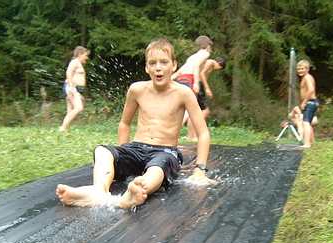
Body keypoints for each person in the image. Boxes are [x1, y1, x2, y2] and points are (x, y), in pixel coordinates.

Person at [56, 38, 214, 210]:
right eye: (152, 63)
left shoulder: (184, 93)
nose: (158, 67)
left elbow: (203, 133)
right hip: (136, 148)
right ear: (147, 68)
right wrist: (122, 158)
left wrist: (200, 169)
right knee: (102, 151)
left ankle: (137, 190)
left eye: (163, 62)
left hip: (165, 152)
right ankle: (98, 191)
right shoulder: (137, 90)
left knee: (157, 168)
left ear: (174, 65)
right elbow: (124, 123)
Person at [186, 57, 226, 140]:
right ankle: (193, 135)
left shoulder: (209, 63)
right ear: (219, 64)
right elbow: (202, 74)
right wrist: (207, 88)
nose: (217, 69)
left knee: (195, 111)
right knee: (204, 111)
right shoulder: (211, 62)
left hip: (199, 85)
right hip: (199, 85)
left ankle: (191, 135)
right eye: (219, 68)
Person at [59, 46, 90, 132]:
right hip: (71, 87)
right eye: (85, 55)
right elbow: (68, 73)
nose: (86, 57)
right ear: (80, 54)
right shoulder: (75, 62)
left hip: (73, 88)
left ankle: (65, 129)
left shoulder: (78, 64)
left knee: (70, 110)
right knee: (79, 107)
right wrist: (72, 88)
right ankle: (62, 127)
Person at [296, 59, 319, 148]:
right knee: (307, 122)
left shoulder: (307, 77)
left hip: (310, 102)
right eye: (298, 69)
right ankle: (311, 141)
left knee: (305, 123)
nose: (300, 71)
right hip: (312, 102)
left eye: (302, 69)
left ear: (307, 69)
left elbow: (311, 90)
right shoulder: (306, 77)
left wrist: (304, 102)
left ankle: (307, 144)